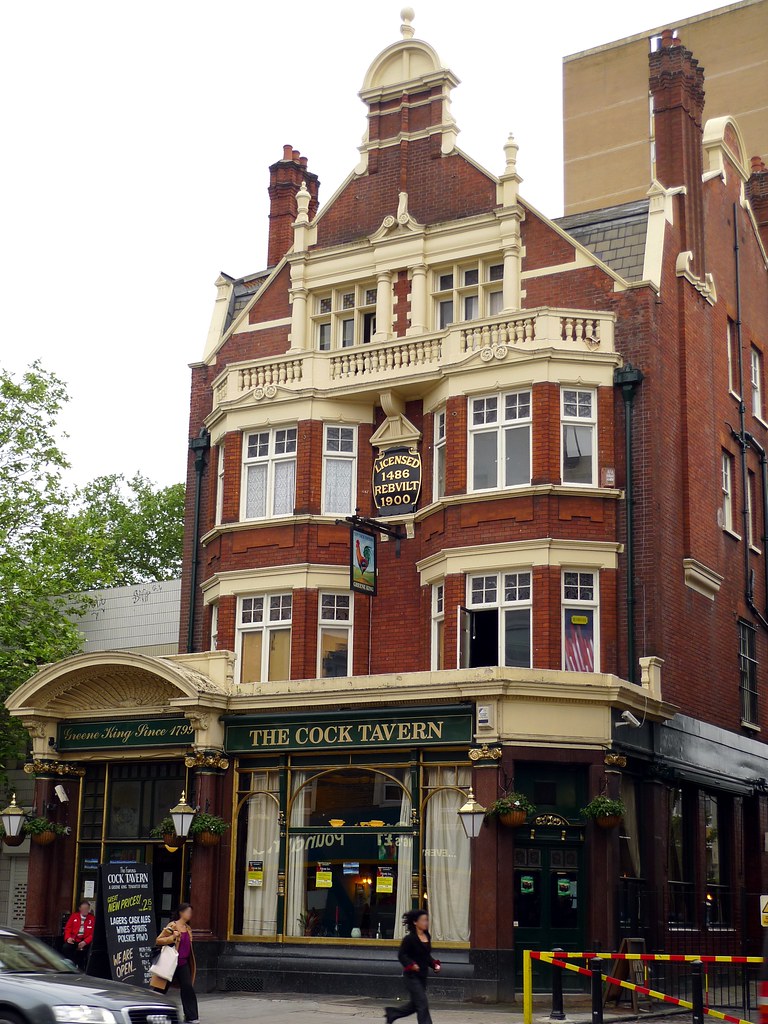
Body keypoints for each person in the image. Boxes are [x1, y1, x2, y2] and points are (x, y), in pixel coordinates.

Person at [384, 909, 441, 1024]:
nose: (426, 923)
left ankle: (393, 1013)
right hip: (411, 977)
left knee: (416, 1004)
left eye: (427, 920)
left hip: (422, 976)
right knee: (422, 1003)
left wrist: (434, 964)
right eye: (423, 920)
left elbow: (426, 956)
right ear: (415, 922)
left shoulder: (427, 936)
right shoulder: (409, 939)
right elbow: (402, 955)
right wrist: (411, 964)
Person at [152, 904, 199, 1024]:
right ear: (181, 913)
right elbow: (159, 940)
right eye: (188, 912)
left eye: (191, 912)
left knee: (187, 987)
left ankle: (191, 1016)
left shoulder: (188, 928)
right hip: (171, 963)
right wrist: (173, 937)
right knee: (160, 989)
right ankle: (152, 1010)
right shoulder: (172, 925)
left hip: (183, 963)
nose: (190, 915)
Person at [63, 901, 95, 971]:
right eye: (84, 908)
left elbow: (93, 933)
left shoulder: (92, 919)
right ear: (80, 909)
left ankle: (85, 968)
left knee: (90, 951)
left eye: (87, 908)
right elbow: (68, 928)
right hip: (75, 939)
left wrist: (85, 942)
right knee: (66, 947)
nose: (85, 910)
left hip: (86, 941)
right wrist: (68, 938)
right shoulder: (74, 916)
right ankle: (71, 965)